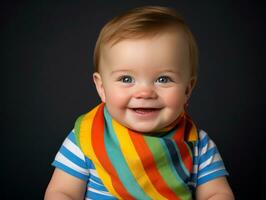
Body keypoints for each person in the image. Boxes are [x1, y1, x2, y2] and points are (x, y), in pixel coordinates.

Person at [44, 6, 234, 200]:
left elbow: (217, 193)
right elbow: (62, 192)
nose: (144, 93)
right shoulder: (86, 138)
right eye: (126, 79)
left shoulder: (197, 144)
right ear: (102, 88)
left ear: (187, 89)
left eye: (163, 79)